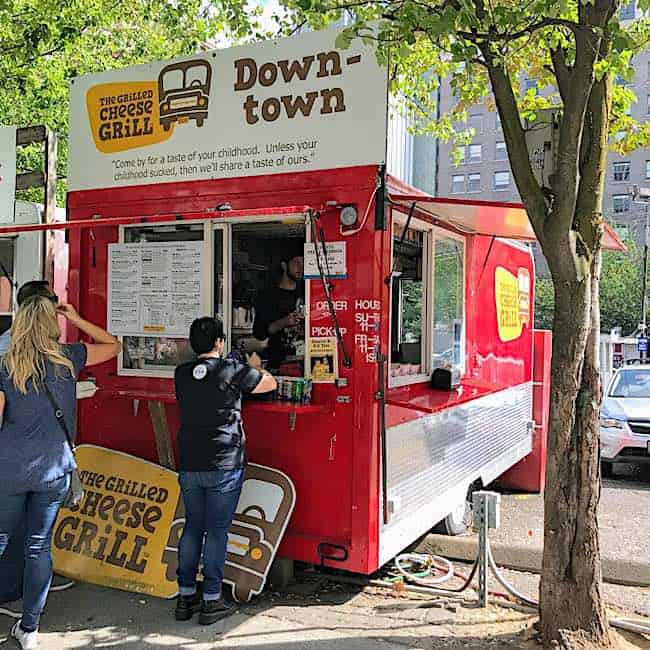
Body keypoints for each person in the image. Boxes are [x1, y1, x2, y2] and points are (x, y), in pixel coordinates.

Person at [0, 297, 121, 650]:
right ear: (52, 324)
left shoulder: (6, 367)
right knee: (38, 546)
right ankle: (30, 629)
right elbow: (113, 346)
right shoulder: (69, 358)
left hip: (10, 467)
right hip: (54, 471)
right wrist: (77, 318)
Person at [174, 317, 276, 625]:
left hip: (190, 460)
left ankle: (185, 596)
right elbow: (268, 384)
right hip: (223, 462)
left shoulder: (181, 374)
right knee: (217, 530)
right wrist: (257, 364)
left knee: (193, 526)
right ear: (220, 342)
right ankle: (211, 600)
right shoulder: (231, 370)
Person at [253, 246, 305, 372]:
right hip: (278, 364)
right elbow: (260, 333)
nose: (301, 268)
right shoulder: (267, 296)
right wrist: (284, 322)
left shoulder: (308, 293)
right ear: (284, 265)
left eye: (303, 263)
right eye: (296, 262)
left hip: (305, 364)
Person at [0, 281, 58, 355]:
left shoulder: (45, 337)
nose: (57, 305)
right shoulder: (7, 345)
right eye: (55, 299)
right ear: (40, 303)